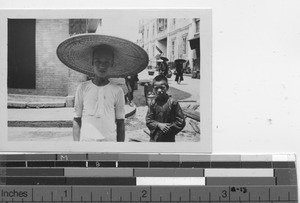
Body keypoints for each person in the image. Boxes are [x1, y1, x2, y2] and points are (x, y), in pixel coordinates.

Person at [56, 34, 149, 142]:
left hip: (109, 142)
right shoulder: (82, 88)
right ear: (92, 62)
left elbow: (120, 123)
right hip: (86, 142)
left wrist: (119, 148)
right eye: (98, 61)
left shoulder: (117, 91)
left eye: (107, 62)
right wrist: (77, 146)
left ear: (112, 64)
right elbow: (77, 119)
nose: (102, 66)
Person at [146, 75, 186, 142]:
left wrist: (167, 127)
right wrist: (159, 125)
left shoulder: (173, 103)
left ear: (167, 88)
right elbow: (148, 120)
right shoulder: (153, 103)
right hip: (154, 137)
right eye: (156, 88)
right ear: (153, 89)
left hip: (168, 137)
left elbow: (181, 122)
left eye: (162, 88)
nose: (159, 90)